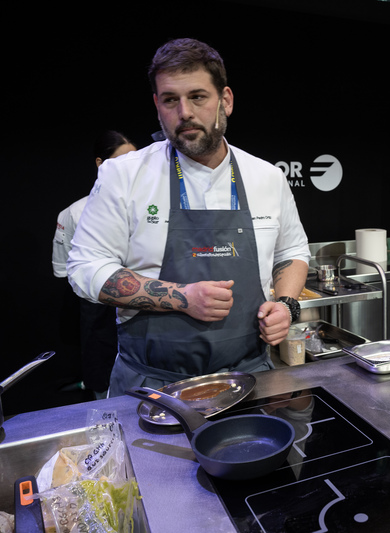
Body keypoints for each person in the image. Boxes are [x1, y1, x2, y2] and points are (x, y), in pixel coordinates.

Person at [67, 38, 310, 396]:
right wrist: (182, 296)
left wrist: (287, 305)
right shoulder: (124, 175)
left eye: (197, 97)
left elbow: (292, 252)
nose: (184, 113)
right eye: (170, 100)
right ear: (157, 105)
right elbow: (85, 269)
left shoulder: (266, 177)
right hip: (150, 385)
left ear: (225, 99)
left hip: (250, 378)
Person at [52, 131, 137, 398]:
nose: (130, 168)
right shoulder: (74, 213)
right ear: (101, 164)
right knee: (104, 385)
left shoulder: (153, 208)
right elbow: (66, 270)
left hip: (147, 309)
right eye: (122, 160)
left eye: (136, 160)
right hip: (99, 312)